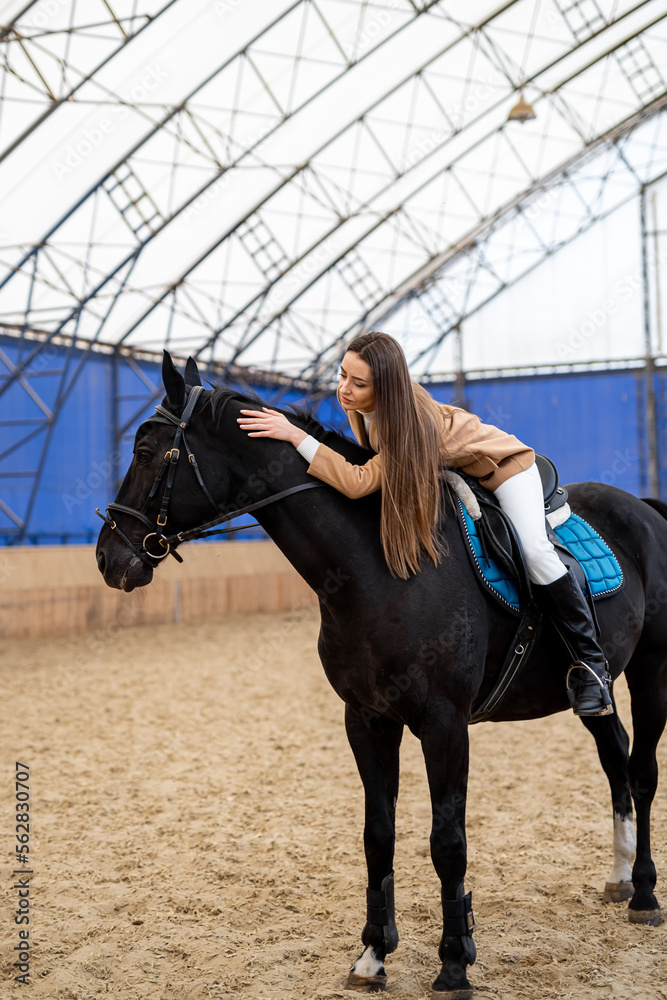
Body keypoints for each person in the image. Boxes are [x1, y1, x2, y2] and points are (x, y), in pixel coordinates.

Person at [237, 331, 613, 717]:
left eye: (358, 383)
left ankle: (591, 666)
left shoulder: (408, 423)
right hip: (459, 468)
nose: (344, 390)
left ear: (386, 388)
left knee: (536, 552)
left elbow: (359, 481)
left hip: (506, 469)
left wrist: (297, 437)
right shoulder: (366, 402)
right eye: (342, 375)